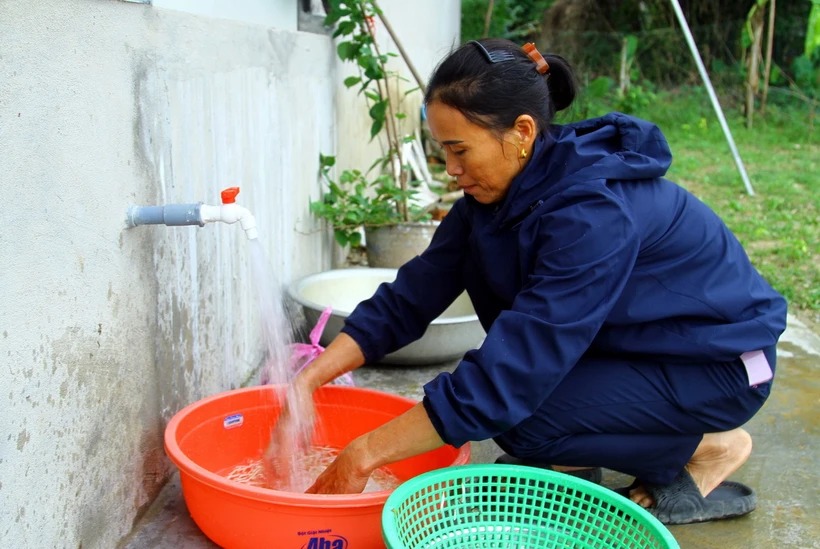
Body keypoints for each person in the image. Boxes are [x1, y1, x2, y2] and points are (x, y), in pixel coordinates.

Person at [267, 38, 787, 525]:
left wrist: (362, 455)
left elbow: (509, 377)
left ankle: (708, 445)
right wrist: (309, 380)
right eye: (441, 151)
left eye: (459, 150)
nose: (450, 169)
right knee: (515, 408)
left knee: (521, 421)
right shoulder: (492, 194)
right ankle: (594, 440)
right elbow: (412, 296)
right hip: (638, 343)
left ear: (521, 132)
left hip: (722, 364)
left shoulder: (592, 214)